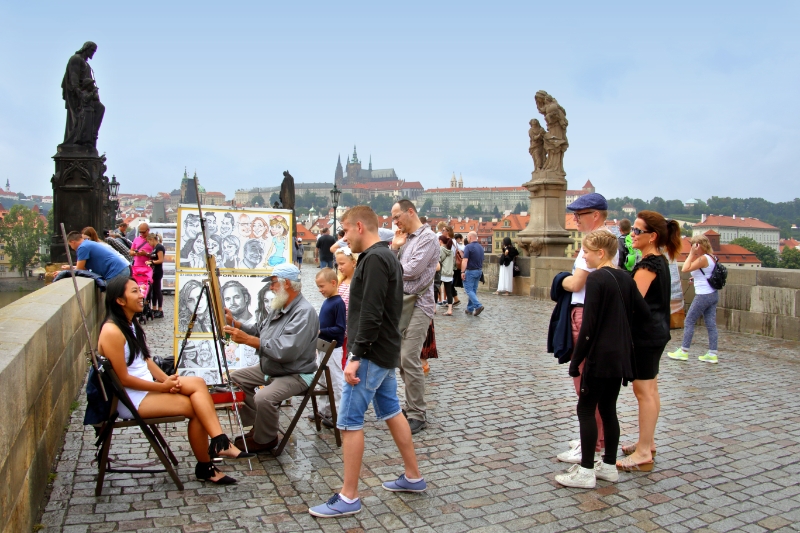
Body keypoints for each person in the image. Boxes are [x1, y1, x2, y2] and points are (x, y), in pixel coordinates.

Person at [309, 206, 425, 518]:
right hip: (384, 350)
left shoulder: (374, 259)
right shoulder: (387, 255)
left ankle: (349, 496)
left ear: (359, 226)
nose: (343, 239)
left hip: (371, 353)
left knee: (348, 422)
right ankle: (413, 477)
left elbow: (370, 313)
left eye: (345, 231)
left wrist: (355, 356)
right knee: (391, 411)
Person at [97, 277, 254, 485]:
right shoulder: (112, 331)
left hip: (147, 388)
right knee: (196, 409)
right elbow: (124, 379)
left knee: (197, 383)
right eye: (135, 291)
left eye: (140, 290)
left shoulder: (128, 323)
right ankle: (207, 466)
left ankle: (219, 441)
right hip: (131, 399)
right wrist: (162, 386)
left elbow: (145, 360)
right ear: (120, 300)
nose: (142, 295)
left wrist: (167, 379)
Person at [555, 231, 649, 488]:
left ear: (601, 253)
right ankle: (608, 466)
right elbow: (644, 313)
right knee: (609, 409)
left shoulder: (596, 279)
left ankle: (586, 470)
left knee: (586, 409)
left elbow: (589, 326)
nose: (583, 256)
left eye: (586, 251)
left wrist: (577, 361)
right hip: (619, 356)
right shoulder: (625, 278)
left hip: (599, 355)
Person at [223, 264, 319, 453]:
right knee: (236, 379)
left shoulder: (304, 312)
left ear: (288, 284)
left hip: (295, 372)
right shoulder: (280, 306)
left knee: (264, 397)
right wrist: (235, 323)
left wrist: (249, 341)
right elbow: (261, 330)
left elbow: (286, 351)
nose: (271, 288)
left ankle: (266, 439)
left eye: (274, 283)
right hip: (275, 367)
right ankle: (258, 426)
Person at [617, 211, 681, 472]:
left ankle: (643, 452)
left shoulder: (647, 266)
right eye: (632, 229)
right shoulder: (659, 260)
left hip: (645, 336)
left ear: (652, 236)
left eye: (637, 231)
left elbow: (633, 303)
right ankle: (648, 442)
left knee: (643, 392)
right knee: (650, 389)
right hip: (657, 333)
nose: (632, 234)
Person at [558, 193, 619, 465]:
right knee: (596, 390)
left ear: (595, 215)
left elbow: (576, 284)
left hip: (584, 316)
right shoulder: (608, 241)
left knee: (585, 386)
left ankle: (590, 446)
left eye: (579, 215)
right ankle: (595, 440)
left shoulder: (593, 246)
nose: (575, 219)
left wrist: (560, 280)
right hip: (597, 317)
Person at [390, 199, 439, 434]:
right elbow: (397, 268)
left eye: (397, 216)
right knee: (401, 358)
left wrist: (393, 265)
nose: (395, 222)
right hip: (403, 304)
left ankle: (418, 413)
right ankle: (411, 406)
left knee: (409, 357)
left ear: (411, 212)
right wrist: (395, 248)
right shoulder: (407, 239)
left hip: (419, 304)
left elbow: (410, 271)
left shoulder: (428, 238)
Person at [668, 235, 720, 364]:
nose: (692, 247)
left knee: (689, 321)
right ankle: (712, 353)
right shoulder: (712, 257)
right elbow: (707, 274)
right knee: (711, 324)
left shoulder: (703, 258)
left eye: (693, 245)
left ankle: (684, 351)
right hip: (712, 294)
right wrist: (695, 279)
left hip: (703, 295)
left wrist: (691, 254)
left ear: (699, 245)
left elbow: (685, 269)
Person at [314, 268, 346, 429]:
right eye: (318, 287)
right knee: (322, 380)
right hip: (323, 347)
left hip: (333, 349)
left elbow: (340, 328)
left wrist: (321, 331)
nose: (320, 290)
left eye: (322, 286)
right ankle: (324, 410)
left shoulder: (338, 303)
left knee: (335, 381)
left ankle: (339, 413)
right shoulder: (327, 302)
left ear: (333, 283)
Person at [64, 232, 130, 281]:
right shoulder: (87, 243)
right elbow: (84, 268)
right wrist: (71, 267)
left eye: (70, 245)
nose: (71, 248)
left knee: (111, 297)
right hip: (121, 269)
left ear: (72, 242)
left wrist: (64, 273)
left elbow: (79, 270)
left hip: (116, 272)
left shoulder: (83, 247)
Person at [461, 231, 485, 316]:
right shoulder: (481, 247)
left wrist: (462, 271)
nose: (467, 239)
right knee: (473, 290)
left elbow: (465, 260)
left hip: (471, 271)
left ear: (470, 237)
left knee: (468, 289)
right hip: (479, 270)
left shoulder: (468, 247)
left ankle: (478, 306)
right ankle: (470, 309)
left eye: (467, 237)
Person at [145, 233, 165, 318]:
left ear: (152, 239)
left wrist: (152, 262)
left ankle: (160, 309)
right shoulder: (155, 248)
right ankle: (154, 308)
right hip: (153, 271)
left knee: (157, 290)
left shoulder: (159, 247)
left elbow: (160, 260)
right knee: (153, 291)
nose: (149, 244)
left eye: (149, 241)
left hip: (157, 271)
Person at [438, 234, 455, 316]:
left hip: (442, 272)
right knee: (449, 292)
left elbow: (439, 260)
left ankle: (433, 308)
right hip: (449, 273)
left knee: (436, 289)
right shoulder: (451, 251)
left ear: (440, 241)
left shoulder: (441, 249)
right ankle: (449, 309)